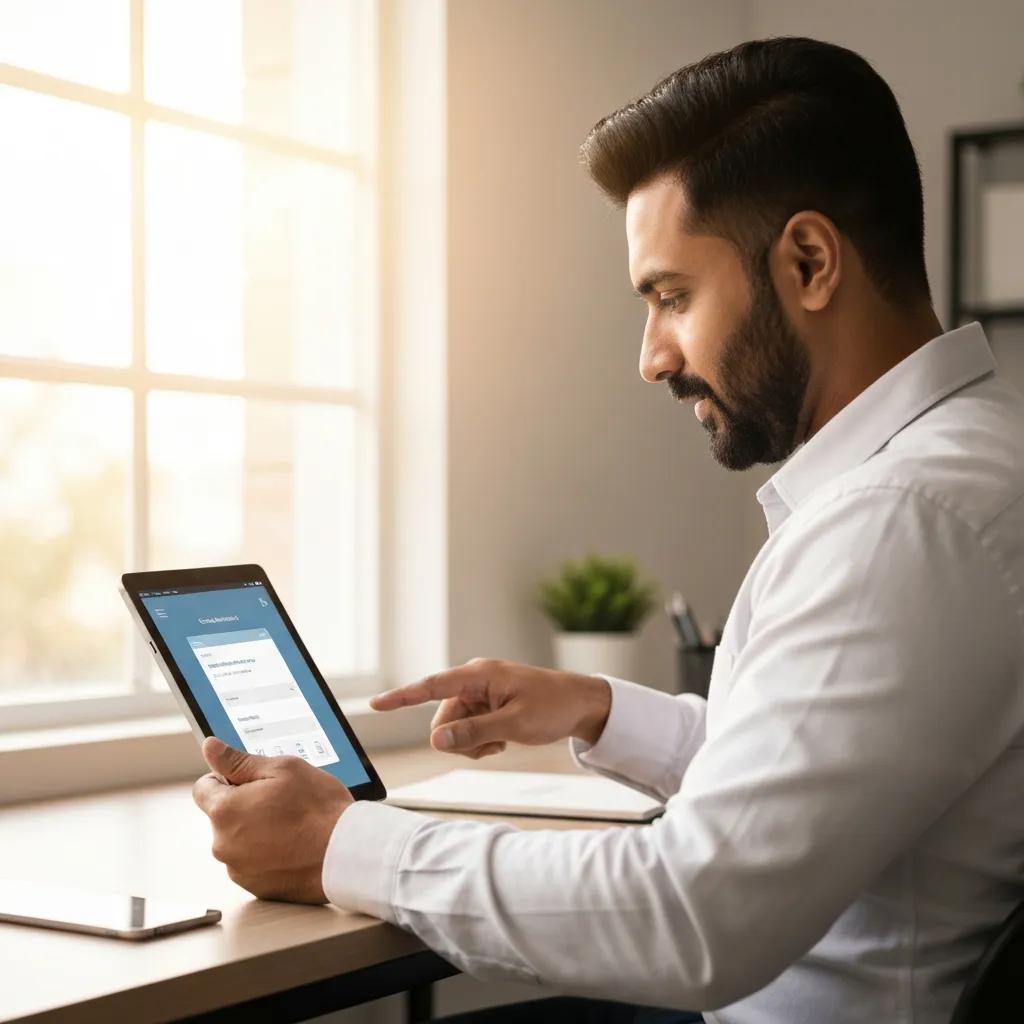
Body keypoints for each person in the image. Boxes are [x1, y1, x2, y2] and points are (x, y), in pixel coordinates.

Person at [192, 36, 1024, 1024]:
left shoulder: (903, 520)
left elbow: (692, 911)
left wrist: (339, 843)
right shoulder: (969, 465)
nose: (652, 356)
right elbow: (819, 778)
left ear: (809, 262)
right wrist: (597, 709)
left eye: (672, 296)